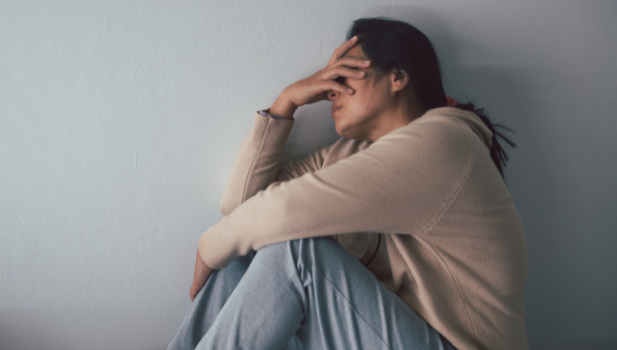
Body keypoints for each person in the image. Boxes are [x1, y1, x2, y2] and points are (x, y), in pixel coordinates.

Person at [168, 17, 528, 350]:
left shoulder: (445, 142)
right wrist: (285, 103)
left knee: (296, 253)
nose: (330, 91)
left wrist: (207, 245)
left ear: (397, 76)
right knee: (243, 254)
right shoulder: (352, 154)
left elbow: (282, 211)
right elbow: (242, 210)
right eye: (329, 79)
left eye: (344, 75)